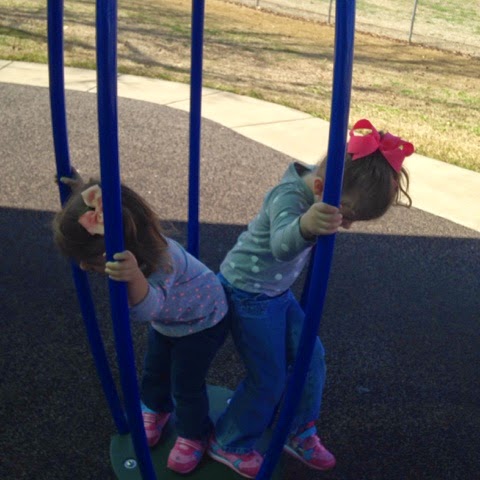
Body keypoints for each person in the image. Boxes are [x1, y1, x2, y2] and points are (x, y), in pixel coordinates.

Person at [207, 119, 414, 478]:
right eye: (347, 215)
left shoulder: (325, 187)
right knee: (268, 377)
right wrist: (306, 226)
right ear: (320, 188)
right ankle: (229, 441)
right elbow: (281, 245)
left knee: (311, 357)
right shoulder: (287, 196)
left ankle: (298, 429)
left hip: (275, 292)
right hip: (246, 291)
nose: (347, 225)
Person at [52, 174, 229, 475]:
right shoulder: (132, 244)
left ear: (128, 248)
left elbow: (148, 309)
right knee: (154, 371)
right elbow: (105, 201)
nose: (83, 266)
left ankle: (194, 434)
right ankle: (156, 409)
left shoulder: (164, 260)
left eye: (91, 259)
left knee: (186, 384)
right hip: (170, 321)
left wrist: (134, 277)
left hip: (203, 322)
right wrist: (80, 188)